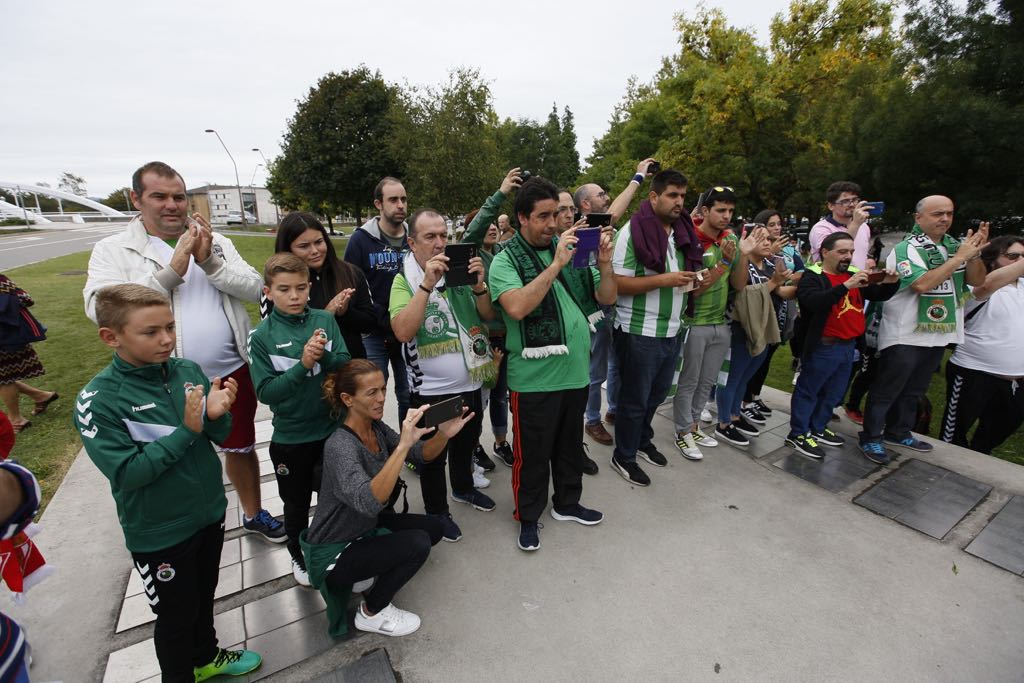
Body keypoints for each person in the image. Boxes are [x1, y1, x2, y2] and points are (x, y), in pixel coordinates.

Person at [83, 161, 284, 545]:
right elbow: (98, 307)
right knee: (178, 453)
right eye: (159, 196)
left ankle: (254, 513)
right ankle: (188, 530)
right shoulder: (114, 250)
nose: (171, 205)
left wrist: (209, 261)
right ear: (136, 199)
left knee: (240, 446)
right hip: (163, 381)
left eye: (178, 196)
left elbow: (254, 287)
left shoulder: (217, 240)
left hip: (229, 370)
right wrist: (172, 270)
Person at [77, 284, 261, 682]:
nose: (166, 339)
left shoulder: (187, 370)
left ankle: (206, 657)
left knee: (203, 597)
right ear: (111, 337)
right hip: (159, 532)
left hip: (208, 512)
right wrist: (186, 429)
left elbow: (216, 434)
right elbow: (128, 473)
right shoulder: (99, 399)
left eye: (170, 327)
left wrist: (217, 414)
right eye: (150, 332)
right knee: (174, 618)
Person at [488, 176, 616, 551]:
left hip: (575, 372)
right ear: (522, 218)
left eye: (558, 214)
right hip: (533, 380)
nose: (552, 224)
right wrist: (557, 263)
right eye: (543, 216)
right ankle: (528, 516)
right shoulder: (505, 260)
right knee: (532, 456)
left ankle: (567, 503)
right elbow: (517, 306)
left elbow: (605, 297)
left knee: (567, 446)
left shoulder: (574, 249)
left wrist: (605, 266)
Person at [304, 360, 473, 637]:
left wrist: (443, 434)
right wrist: (403, 445)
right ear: (348, 399)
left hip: (364, 526)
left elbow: (421, 455)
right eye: (372, 393)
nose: (382, 398)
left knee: (433, 528)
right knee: (417, 544)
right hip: (333, 550)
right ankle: (371, 612)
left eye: (384, 389)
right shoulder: (339, 445)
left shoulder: (376, 427)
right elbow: (370, 500)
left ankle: (364, 571)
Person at [390, 209, 499, 541]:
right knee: (433, 456)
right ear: (412, 243)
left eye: (443, 236)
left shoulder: (460, 273)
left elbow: (490, 318)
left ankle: (463, 488)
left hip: (472, 380)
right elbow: (403, 332)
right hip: (433, 390)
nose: (440, 244)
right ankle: (438, 511)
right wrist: (426, 284)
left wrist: (480, 287)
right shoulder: (403, 281)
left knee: (467, 441)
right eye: (430, 237)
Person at [247, 254, 351, 585]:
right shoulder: (261, 336)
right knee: (295, 503)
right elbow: (266, 393)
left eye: (301, 288)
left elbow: (346, 366)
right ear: (268, 292)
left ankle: (333, 546)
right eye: (284, 289)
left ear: (309, 287)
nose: (294, 296)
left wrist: (328, 356)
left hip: (333, 429)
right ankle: (298, 554)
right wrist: (303, 364)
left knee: (335, 496)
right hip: (291, 439)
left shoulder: (324, 319)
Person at [859, 196, 988, 462]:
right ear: (919, 218)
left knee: (915, 389)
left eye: (949, 214)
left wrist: (973, 255)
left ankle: (899, 430)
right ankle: (871, 437)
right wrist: (959, 258)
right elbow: (921, 285)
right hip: (905, 331)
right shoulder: (907, 248)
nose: (945, 219)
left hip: (938, 331)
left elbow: (977, 280)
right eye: (937, 214)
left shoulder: (955, 246)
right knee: (888, 388)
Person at [610, 169, 700, 482]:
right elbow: (616, 283)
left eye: (683, 196)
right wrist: (664, 280)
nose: (679, 202)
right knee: (634, 399)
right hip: (639, 330)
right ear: (653, 196)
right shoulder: (631, 232)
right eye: (672, 195)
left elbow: (684, 277)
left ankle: (642, 441)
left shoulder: (682, 232)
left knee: (657, 394)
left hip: (672, 330)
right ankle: (624, 455)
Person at [786, 233, 899, 458]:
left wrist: (891, 283)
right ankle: (798, 433)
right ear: (825, 252)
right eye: (842, 252)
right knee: (809, 390)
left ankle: (817, 428)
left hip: (849, 346)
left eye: (851, 252)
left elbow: (877, 295)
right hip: (823, 346)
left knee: (834, 392)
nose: (848, 257)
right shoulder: (813, 276)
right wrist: (846, 286)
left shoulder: (853, 274)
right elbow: (813, 303)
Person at [573, 158, 657, 440]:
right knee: (596, 369)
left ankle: (614, 409)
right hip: (592, 309)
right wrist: (637, 178)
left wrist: (638, 178)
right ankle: (592, 419)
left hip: (611, 305)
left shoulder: (600, 226)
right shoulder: (578, 228)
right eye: (599, 195)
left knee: (616, 364)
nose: (606, 198)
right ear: (585, 204)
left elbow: (613, 214)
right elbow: (614, 214)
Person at [672, 186, 757, 453]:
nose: (726, 216)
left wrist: (741, 254)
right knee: (689, 381)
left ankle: (695, 427)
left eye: (730, 211)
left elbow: (740, 284)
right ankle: (682, 431)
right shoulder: (689, 240)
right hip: (694, 323)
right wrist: (722, 263)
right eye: (721, 210)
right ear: (706, 211)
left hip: (721, 323)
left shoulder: (728, 241)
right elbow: (690, 289)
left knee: (707, 381)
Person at [460, 168, 527, 469]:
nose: (490, 228)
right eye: (484, 224)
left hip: (506, 338)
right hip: (482, 339)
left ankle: (501, 443)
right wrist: (501, 193)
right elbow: (473, 230)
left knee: (500, 398)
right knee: (479, 400)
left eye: (493, 225)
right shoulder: (471, 255)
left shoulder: (503, 253)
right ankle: (472, 446)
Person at [940, 235, 1024, 454]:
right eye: (1013, 256)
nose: (1019, 261)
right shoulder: (977, 283)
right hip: (974, 372)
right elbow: (987, 285)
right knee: (954, 432)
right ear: (993, 257)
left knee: (1000, 429)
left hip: (1015, 379)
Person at [344, 177, 412, 422]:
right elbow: (349, 285)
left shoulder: (414, 239)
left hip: (407, 331)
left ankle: (408, 450)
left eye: (403, 199)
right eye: (393, 200)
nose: (400, 205)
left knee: (408, 394)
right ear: (378, 204)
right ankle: (375, 451)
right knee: (372, 397)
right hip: (373, 334)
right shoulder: (361, 240)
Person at [711, 225, 786, 448]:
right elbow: (741, 290)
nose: (765, 242)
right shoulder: (743, 264)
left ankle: (735, 415)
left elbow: (781, 292)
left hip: (763, 328)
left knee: (745, 377)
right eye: (759, 238)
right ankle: (724, 423)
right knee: (732, 378)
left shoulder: (770, 265)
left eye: (768, 239)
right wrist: (773, 283)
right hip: (741, 328)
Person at [272, 212, 376, 358]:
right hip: (306, 373)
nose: (315, 251)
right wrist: (326, 315)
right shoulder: (277, 285)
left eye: (319, 242)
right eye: (304, 246)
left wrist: (345, 313)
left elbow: (370, 323)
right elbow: (277, 339)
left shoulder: (351, 273)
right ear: (288, 249)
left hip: (351, 369)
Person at [740, 210, 803, 420]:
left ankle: (751, 398)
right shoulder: (748, 263)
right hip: (748, 324)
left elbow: (789, 283)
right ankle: (734, 412)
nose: (777, 229)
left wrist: (804, 284)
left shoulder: (778, 257)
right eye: (771, 225)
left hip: (774, 318)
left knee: (761, 363)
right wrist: (778, 280)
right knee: (737, 374)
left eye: (779, 224)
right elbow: (747, 294)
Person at [0, 274, 58, 433]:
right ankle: (41, 396)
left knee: (4, 378)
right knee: (5, 377)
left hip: (5, 337)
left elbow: (25, 299)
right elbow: (25, 298)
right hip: (9, 335)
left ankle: (16, 418)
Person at [808, 181, 875, 269]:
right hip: (831, 281)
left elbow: (860, 256)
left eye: (855, 200)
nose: (852, 204)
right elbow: (831, 256)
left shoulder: (863, 227)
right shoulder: (821, 229)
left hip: (859, 280)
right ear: (831, 206)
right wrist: (855, 224)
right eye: (845, 201)